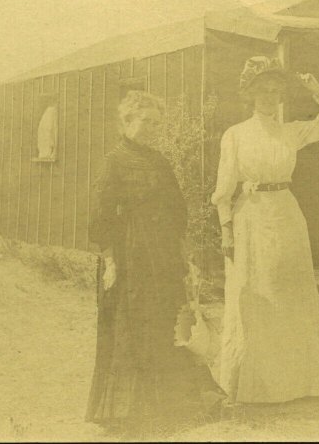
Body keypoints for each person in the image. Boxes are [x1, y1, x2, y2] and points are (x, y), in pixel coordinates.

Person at [85, 91, 225, 436]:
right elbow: (99, 218)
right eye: (145, 121)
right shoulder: (114, 160)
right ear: (127, 121)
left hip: (162, 256)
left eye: (157, 123)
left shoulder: (161, 161)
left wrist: (185, 256)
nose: (151, 129)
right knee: (131, 330)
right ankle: (127, 412)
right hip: (130, 257)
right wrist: (111, 259)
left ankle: (168, 405)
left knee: (166, 325)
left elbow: (179, 213)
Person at [211, 56, 319, 404]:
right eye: (262, 91)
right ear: (250, 95)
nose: (269, 97)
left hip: (286, 214)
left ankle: (297, 382)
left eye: (275, 91)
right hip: (252, 218)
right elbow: (224, 188)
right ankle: (260, 384)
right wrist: (226, 232)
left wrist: (316, 90)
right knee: (259, 293)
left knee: (290, 293)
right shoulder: (235, 135)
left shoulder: (290, 131)